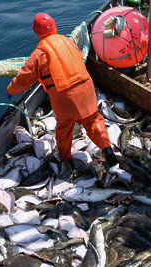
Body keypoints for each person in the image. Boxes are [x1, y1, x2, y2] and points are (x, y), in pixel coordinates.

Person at [7, 13, 118, 167]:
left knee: (64, 129)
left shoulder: (39, 53)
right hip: (86, 88)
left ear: (36, 32)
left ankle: (65, 160)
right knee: (93, 121)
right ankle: (107, 150)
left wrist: (11, 89)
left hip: (65, 98)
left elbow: (24, 78)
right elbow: (78, 58)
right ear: (55, 27)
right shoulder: (69, 41)